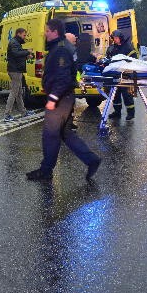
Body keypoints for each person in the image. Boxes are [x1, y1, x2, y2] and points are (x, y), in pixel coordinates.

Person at [26, 19, 101, 181]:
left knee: (50, 135)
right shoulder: (64, 47)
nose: (44, 33)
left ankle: (45, 171)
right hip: (65, 97)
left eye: (47, 31)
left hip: (60, 99)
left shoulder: (61, 50)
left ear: (54, 32)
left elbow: (62, 78)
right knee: (65, 134)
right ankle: (91, 160)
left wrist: (52, 98)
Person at [105, 29, 138, 120]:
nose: (114, 39)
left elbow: (134, 59)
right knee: (115, 95)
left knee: (127, 95)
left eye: (116, 38)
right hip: (115, 75)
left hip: (126, 75)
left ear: (120, 38)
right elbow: (108, 59)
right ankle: (117, 112)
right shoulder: (112, 48)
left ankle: (131, 113)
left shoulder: (128, 47)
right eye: (113, 38)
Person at [4, 27, 33, 121]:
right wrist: (27, 52)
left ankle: (23, 112)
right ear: (19, 34)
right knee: (14, 92)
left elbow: (16, 56)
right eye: (24, 35)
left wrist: (26, 56)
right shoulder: (14, 43)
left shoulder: (16, 43)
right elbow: (16, 53)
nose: (25, 37)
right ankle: (7, 115)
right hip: (15, 71)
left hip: (17, 70)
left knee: (19, 92)